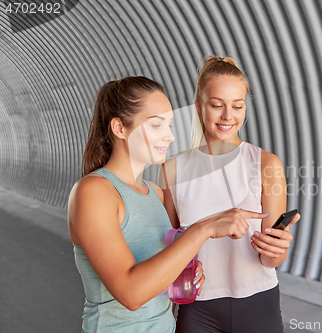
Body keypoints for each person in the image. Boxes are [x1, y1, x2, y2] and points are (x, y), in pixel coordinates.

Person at [68, 76, 268, 333]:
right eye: (156, 125)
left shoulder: (155, 193)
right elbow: (131, 293)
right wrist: (202, 229)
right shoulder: (94, 192)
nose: (170, 136)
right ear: (119, 129)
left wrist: (185, 270)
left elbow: (156, 274)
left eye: (170, 125)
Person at [160, 57, 300, 333]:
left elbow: (270, 260)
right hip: (197, 308)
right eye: (217, 105)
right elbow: (170, 245)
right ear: (199, 107)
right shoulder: (172, 170)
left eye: (237, 106)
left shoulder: (266, 164)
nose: (228, 116)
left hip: (259, 303)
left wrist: (277, 249)